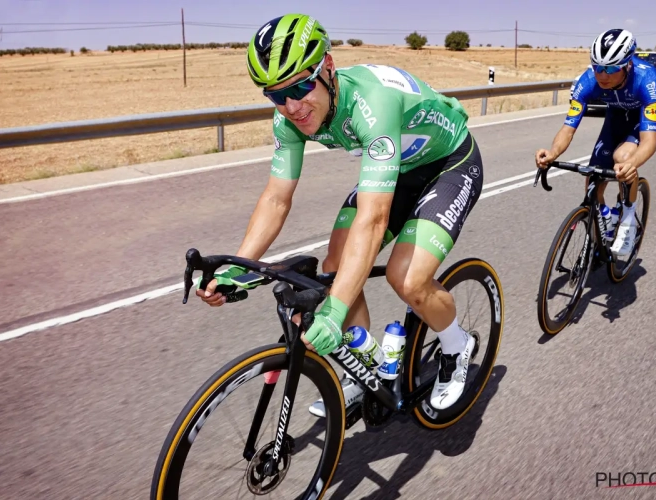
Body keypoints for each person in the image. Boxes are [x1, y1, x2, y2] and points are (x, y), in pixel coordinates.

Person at [195, 14, 484, 415]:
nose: (292, 106)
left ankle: (457, 345)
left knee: (407, 277)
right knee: (336, 266)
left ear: (328, 68)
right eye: (276, 95)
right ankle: (364, 371)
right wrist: (240, 266)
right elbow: (277, 198)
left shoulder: (372, 104)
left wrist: (333, 313)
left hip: (449, 164)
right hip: (398, 167)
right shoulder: (289, 118)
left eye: (300, 86)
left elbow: (374, 219)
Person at [535, 28, 656, 258]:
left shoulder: (647, 79)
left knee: (622, 159)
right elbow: (568, 127)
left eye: (610, 69)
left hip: (644, 121)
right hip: (616, 117)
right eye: (597, 67)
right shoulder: (587, 81)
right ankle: (602, 227)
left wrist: (632, 164)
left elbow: (649, 142)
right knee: (593, 181)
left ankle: (627, 217)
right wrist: (553, 152)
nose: (602, 75)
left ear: (627, 65)